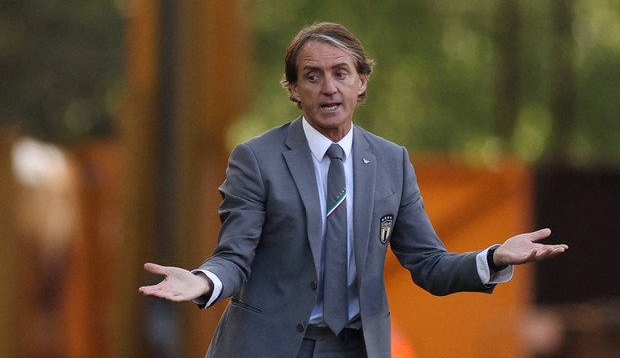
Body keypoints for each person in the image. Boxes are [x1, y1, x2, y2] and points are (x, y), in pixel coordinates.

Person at [139, 22, 568, 358]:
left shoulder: (391, 162)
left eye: (341, 73)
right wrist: (203, 280)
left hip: (358, 347)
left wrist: (493, 257)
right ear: (293, 89)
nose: (329, 87)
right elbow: (235, 256)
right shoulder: (256, 159)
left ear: (361, 81)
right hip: (268, 346)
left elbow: (429, 265)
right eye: (313, 76)